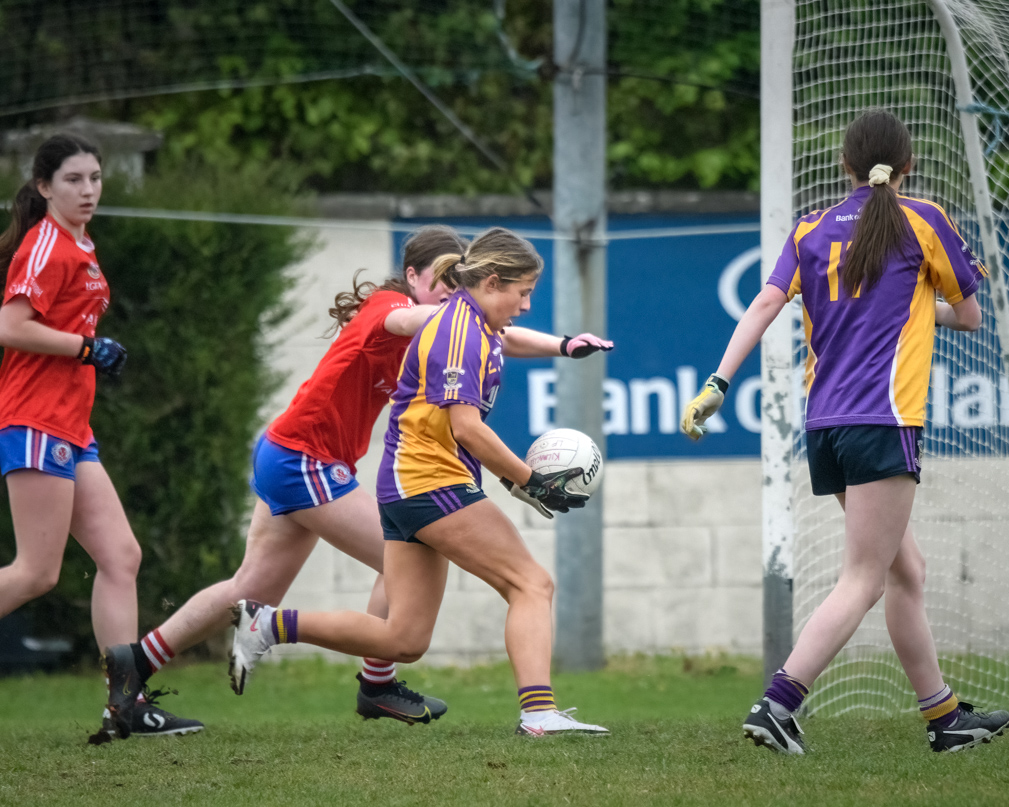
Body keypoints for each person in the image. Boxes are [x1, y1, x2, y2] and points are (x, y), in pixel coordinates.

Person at [681, 108, 1009, 754]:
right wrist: (922, 305)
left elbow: (764, 303)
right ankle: (779, 701)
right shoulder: (923, 218)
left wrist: (717, 382)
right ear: (906, 165)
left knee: (904, 569)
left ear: (843, 165)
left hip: (824, 424)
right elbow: (968, 316)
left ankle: (942, 716)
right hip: (882, 418)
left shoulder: (809, 228)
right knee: (862, 575)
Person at [229, 226, 614, 737]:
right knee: (530, 582)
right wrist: (530, 480)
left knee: (404, 638)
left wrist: (565, 346)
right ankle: (538, 713)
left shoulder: (472, 320)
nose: (524, 306)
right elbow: (467, 428)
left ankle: (267, 624)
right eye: (523, 293)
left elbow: (506, 348)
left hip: (410, 485)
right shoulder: (460, 332)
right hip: (429, 483)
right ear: (494, 282)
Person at [0, 133, 202, 738]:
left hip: (69, 425)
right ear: (44, 187)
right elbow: (10, 326)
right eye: (73, 180)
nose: (88, 190)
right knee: (37, 571)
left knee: (121, 556)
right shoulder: (46, 246)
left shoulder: (80, 243)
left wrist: (82, 352)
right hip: (35, 420)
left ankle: (126, 706)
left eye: (95, 178)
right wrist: (85, 347)